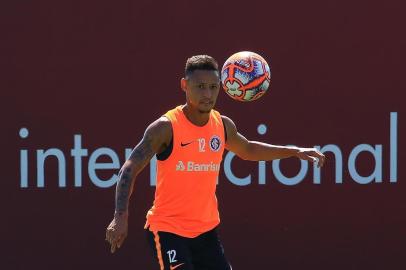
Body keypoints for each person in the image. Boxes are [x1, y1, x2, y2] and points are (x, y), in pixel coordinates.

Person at [105, 55, 325, 270]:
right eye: (200, 86)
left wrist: (293, 151)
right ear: (184, 85)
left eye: (213, 87)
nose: (208, 94)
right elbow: (129, 169)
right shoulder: (166, 127)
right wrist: (120, 217)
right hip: (168, 230)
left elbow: (248, 149)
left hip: (206, 232)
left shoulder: (222, 125)